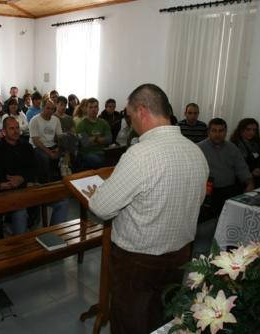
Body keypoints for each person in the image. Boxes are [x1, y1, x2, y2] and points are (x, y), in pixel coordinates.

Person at [84, 84, 209, 334]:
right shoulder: (196, 151)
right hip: (180, 255)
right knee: (162, 319)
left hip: (138, 261)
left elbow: (102, 208)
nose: (130, 123)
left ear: (141, 111)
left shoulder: (140, 154)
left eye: (130, 116)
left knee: (130, 322)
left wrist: (98, 194)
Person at [0, 117, 36, 236]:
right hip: (9, 189)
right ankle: (20, 244)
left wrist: (23, 178)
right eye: (11, 128)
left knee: (62, 202)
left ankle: (51, 239)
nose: (16, 131)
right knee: (20, 211)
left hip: (28, 185)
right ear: (3, 132)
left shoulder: (26, 146)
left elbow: (34, 168)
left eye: (17, 128)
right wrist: (22, 179)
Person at [198, 118, 254, 216]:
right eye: (214, 130)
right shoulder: (199, 148)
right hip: (208, 192)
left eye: (221, 131)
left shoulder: (232, 148)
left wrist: (250, 183)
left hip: (229, 190)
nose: (217, 134)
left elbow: (242, 168)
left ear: (225, 132)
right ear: (208, 132)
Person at [29, 99, 63, 183]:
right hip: (38, 147)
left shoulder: (56, 120)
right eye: (48, 108)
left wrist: (59, 148)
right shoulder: (34, 120)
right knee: (45, 158)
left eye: (52, 109)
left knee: (66, 154)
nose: (50, 111)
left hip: (52, 145)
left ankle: (61, 179)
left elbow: (60, 137)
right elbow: (36, 141)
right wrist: (50, 152)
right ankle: (44, 182)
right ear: (42, 108)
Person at [76, 98, 111, 169]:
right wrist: (99, 139)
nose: (93, 109)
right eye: (90, 107)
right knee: (98, 161)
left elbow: (109, 139)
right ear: (86, 109)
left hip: (102, 152)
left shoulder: (103, 123)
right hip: (86, 154)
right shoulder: (81, 124)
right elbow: (85, 143)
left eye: (95, 107)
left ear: (98, 108)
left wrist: (93, 139)